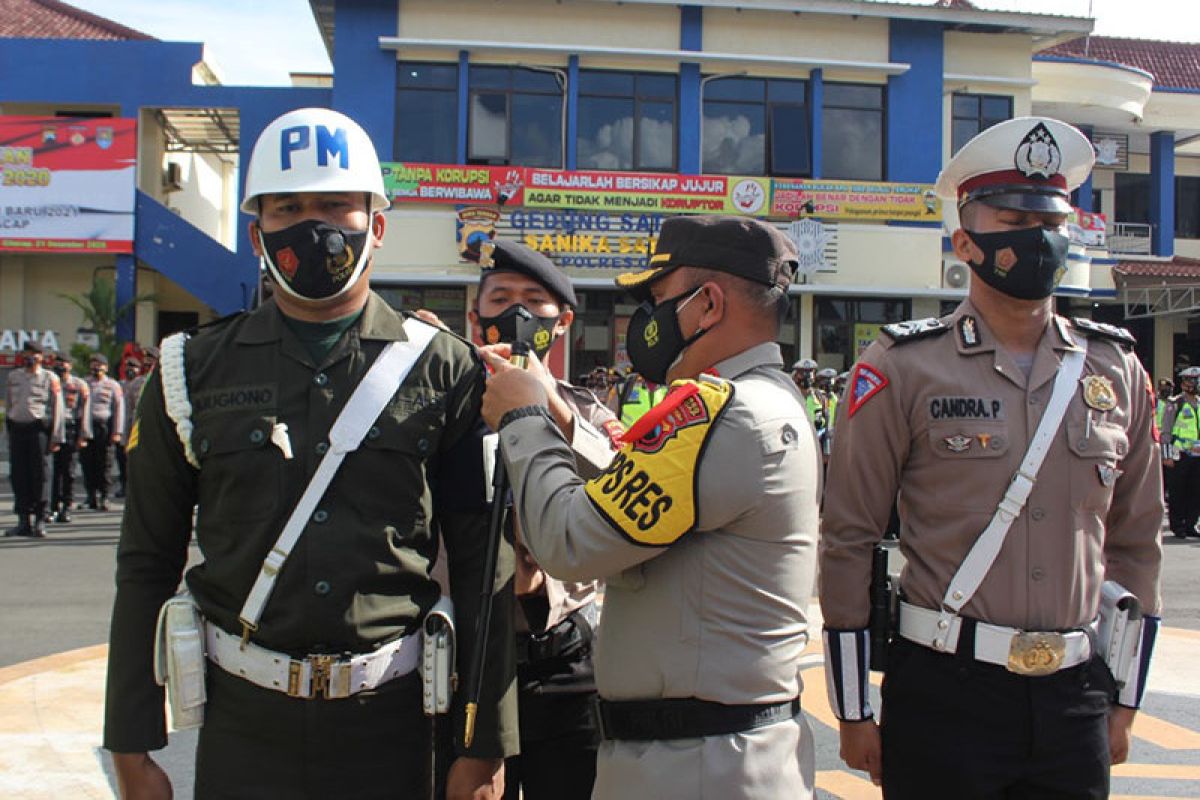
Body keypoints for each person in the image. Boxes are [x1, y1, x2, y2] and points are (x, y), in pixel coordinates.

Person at [103, 107, 516, 800]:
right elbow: (145, 565)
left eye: (335, 205)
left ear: (376, 225)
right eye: (287, 206)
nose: (312, 224)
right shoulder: (189, 372)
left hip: (398, 725)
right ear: (255, 230)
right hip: (244, 730)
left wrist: (485, 746)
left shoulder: (446, 371)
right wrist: (130, 740)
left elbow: (484, 572)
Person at [820, 117, 1163, 799]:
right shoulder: (901, 367)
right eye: (1013, 218)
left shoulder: (1116, 369)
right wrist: (854, 710)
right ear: (966, 242)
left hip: (1074, 697)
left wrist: (1124, 696)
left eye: (1053, 219)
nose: (1039, 237)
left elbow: (1137, 541)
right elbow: (848, 540)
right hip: (946, 692)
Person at [479, 215, 821, 799]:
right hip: (709, 754)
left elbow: (572, 543)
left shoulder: (721, 414)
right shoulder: (767, 398)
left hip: (696, 766)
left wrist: (523, 419)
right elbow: (638, 494)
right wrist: (564, 419)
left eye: (661, 300)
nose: (649, 322)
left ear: (707, 304)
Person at [467, 239, 622, 800]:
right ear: (474, 315)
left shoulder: (584, 412)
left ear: (563, 324)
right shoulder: (444, 410)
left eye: (535, 302)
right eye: (501, 298)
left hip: (566, 657)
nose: (516, 313)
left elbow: (623, 487)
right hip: (473, 659)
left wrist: (547, 407)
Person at [4, 341, 64, 538]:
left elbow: (58, 408)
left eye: (34, 354)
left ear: (41, 356)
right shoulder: (14, 376)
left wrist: (56, 436)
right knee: (19, 475)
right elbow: (10, 404)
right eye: (27, 353)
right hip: (18, 431)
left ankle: (40, 520)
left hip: (38, 431)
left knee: (40, 475)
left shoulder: (49, 378)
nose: (30, 357)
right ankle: (23, 520)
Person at [50, 351, 91, 523]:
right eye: (58, 363)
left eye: (64, 363)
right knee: (52, 471)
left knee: (68, 471)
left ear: (70, 366)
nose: (61, 366)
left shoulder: (79, 385)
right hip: (52, 430)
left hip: (71, 429)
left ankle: (66, 506)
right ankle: (52, 507)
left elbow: (85, 411)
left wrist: (83, 435)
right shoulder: (50, 382)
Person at [82, 353, 124, 510]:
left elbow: (119, 408)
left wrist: (117, 431)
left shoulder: (113, 385)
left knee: (105, 464)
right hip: (88, 427)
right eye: (93, 364)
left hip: (104, 427)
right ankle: (90, 496)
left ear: (105, 368)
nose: (96, 368)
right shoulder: (84, 384)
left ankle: (104, 496)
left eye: (99, 365)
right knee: (88, 463)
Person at [1162, 366, 1200, 538]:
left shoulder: (1199, 403)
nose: (1193, 384)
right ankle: (1178, 526)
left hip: (1197, 455)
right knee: (1178, 491)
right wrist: (1167, 455)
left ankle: (1191, 524)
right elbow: (1166, 431)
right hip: (1180, 454)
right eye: (1191, 380)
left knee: (1195, 491)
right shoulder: (1175, 402)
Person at [114, 358, 140, 498]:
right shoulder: (119, 385)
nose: (129, 370)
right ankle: (123, 485)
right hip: (122, 426)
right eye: (127, 367)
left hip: (135, 426)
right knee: (121, 459)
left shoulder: (142, 383)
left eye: (133, 367)